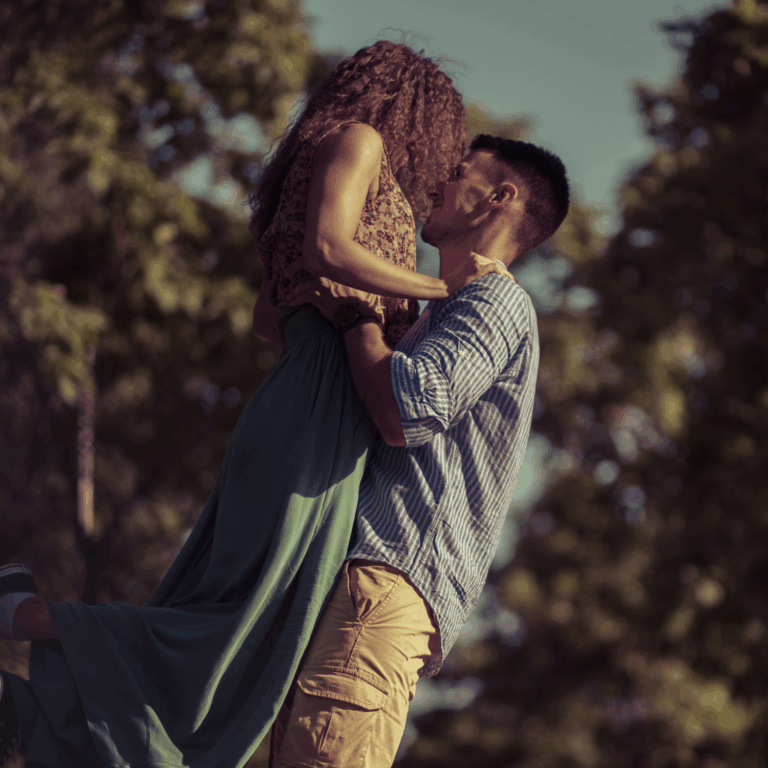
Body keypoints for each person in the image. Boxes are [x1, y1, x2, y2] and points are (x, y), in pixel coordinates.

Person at [0, 42, 510, 768]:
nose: (437, 163)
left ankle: (33, 714)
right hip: (315, 410)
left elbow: (266, 319)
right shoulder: (357, 141)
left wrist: (344, 320)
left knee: (252, 620)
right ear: (415, 113)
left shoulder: (316, 158)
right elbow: (330, 246)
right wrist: (437, 291)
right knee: (244, 617)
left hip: (309, 400)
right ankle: (29, 618)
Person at [269, 134, 570, 768]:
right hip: (357, 585)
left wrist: (360, 319)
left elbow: (407, 412)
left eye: (458, 173)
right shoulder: (442, 309)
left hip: (384, 586)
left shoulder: (497, 301)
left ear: (500, 197)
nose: (437, 182)